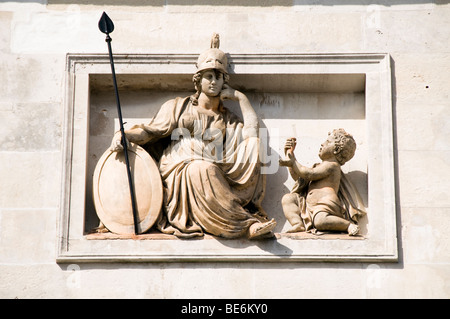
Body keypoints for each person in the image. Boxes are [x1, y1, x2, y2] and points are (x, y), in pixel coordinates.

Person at [110, 35, 276, 239]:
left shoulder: (228, 119)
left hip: (217, 166)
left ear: (225, 81)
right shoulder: (179, 106)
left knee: (253, 147)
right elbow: (150, 131)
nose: (214, 81)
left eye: (219, 76)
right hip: (181, 166)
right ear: (198, 80)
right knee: (202, 169)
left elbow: (251, 135)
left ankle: (242, 216)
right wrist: (124, 134)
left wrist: (241, 99)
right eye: (209, 76)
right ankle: (243, 225)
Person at [279, 129, 366, 236]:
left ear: (337, 150)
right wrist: (290, 155)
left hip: (324, 205)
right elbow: (299, 178)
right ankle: (298, 223)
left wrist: (293, 162)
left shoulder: (332, 165)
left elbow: (309, 174)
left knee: (320, 221)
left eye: (328, 142)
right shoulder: (319, 166)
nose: (322, 144)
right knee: (288, 198)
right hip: (308, 205)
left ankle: (347, 225)